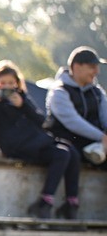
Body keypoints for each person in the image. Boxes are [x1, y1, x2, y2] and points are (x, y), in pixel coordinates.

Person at [0, 60, 80, 219]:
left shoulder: (21, 98)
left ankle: (71, 203)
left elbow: (42, 122)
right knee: (62, 153)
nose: (7, 87)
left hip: (36, 143)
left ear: (17, 84)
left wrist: (23, 105)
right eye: (3, 83)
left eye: (11, 83)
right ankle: (45, 202)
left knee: (72, 152)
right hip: (18, 147)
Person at [45, 47, 107, 217]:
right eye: (92, 67)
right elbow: (73, 122)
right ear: (77, 66)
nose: (96, 72)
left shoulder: (97, 93)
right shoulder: (59, 91)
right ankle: (68, 205)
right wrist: (102, 137)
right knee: (70, 153)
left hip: (95, 144)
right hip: (67, 141)